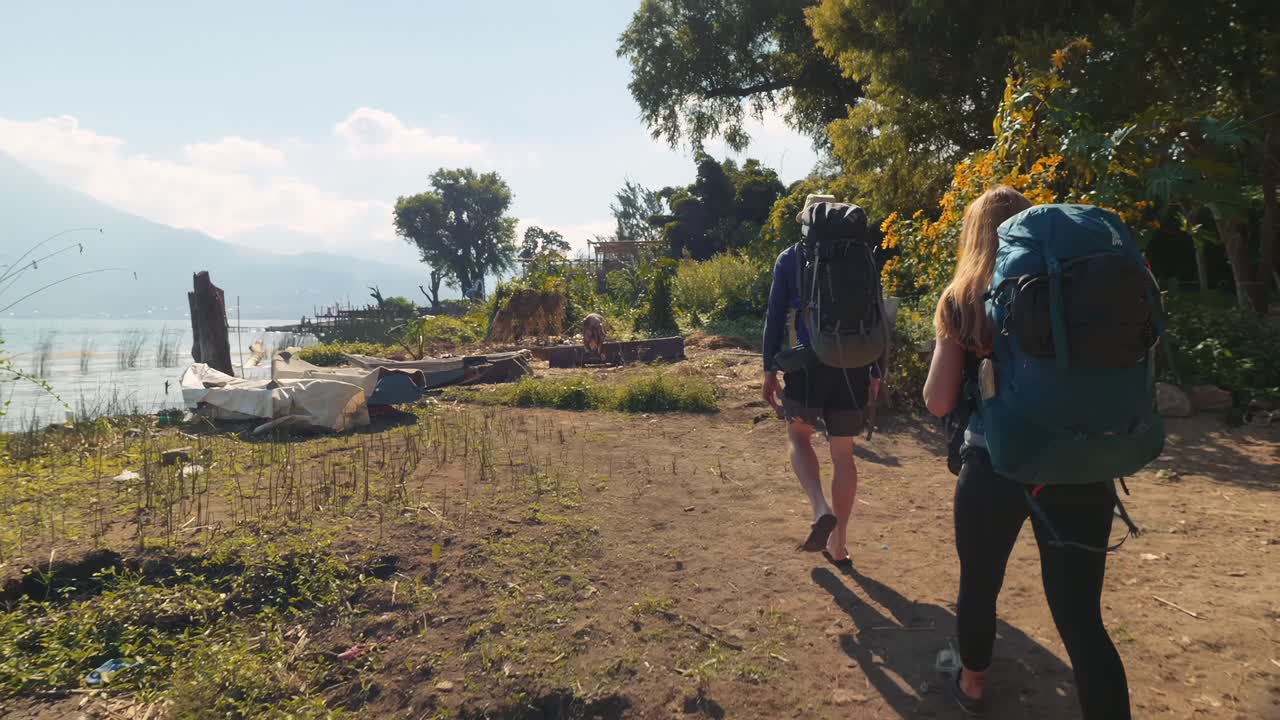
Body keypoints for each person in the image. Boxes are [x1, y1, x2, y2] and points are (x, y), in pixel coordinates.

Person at [923, 186, 1131, 718]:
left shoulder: (965, 295)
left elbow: (939, 399)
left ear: (974, 234)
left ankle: (972, 685)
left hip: (994, 466)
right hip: (1083, 464)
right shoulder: (1073, 283)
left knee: (980, 583)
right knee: (1082, 617)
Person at [761, 194, 883, 568]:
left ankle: (819, 507)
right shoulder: (860, 254)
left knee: (799, 437)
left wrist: (769, 369)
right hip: (855, 364)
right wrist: (876, 371)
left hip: (808, 364)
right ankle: (840, 545)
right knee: (843, 455)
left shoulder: (790, 257)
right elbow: (876, 313)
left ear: (807, 221)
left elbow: (775, 314)